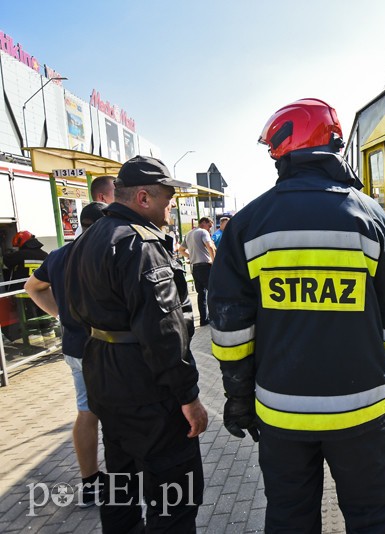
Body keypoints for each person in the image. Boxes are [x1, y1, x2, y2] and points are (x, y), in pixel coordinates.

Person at [208, 98, 385, 533]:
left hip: (281, 412)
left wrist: (239, 396)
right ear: (332, 145)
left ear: (285, 150)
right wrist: (378, 364)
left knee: (290, 517)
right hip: (361, 411)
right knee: (373, 517)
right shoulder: (372, 218)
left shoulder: (247, 224)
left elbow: (229, 326)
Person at [65, 156, 207, 533]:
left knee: (121, 482)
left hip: (105, 379)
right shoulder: (140, 243)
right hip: (147, 388)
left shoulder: (87, 240)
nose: (170, 207)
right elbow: (163, 331)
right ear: (143, 197)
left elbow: (72, 311)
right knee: (175, 494)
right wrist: (188, 397)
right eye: (167, 198)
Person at [25, 202, 108, 507]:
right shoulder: (106, 252)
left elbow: (32, 287)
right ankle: (128, 475)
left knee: (86, 411)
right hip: (106, 348)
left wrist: (59, 313)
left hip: (74, 347)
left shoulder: (59, 255)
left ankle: (90, 482)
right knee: (119, 411)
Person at [178, 217, 216, 326]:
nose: (209, 229)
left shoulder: (189, 234)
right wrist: (214, 262)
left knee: (201, 294)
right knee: (213, 292)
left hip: (195, 268)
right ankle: (215, 317)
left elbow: (181, 250)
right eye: (209, 226)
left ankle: (203, 319)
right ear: (203, 223)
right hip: (206, 267)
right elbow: (210, 247)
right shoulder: (203, 232)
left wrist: (190, 257)